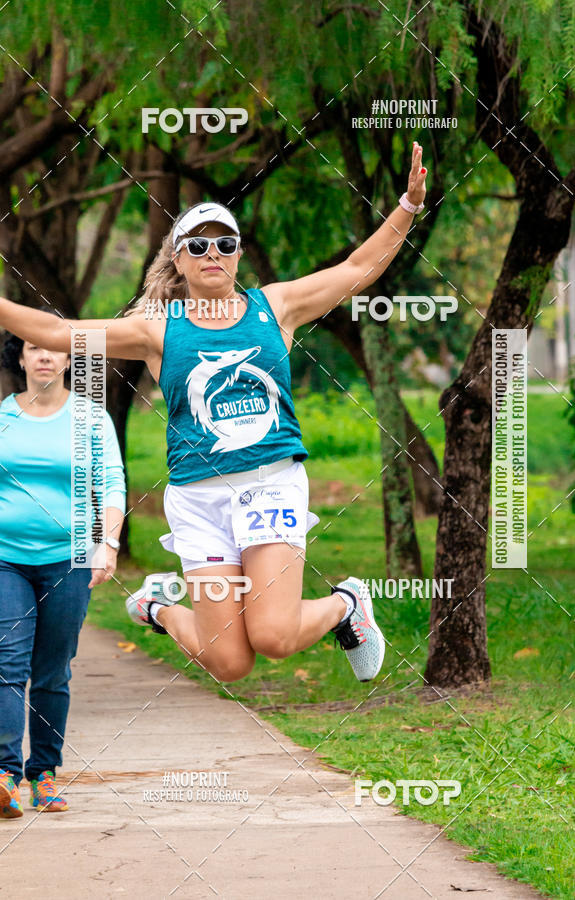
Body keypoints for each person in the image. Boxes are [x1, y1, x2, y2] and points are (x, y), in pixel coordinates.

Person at [0, 143, 427, 689]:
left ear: (238, 254)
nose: (212, 253)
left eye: (224, 244)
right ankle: (158, 608)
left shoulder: (276, 307)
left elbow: (357, 268)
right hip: (198, 498)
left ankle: (346, 605)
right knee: (230, 664)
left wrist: (407, 206)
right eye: (197, 245)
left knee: (273, 638)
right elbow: (60, 334)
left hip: (270, 484)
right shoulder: (157, 328)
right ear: (178, 258)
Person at [0, 326, 126, 818]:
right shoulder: (3, 417)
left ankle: (44, 774)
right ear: (22, 357)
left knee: (52, 670)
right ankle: (6, 776)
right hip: (5, 557)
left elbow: (112, 482)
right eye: (35, 348)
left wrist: (109, 545)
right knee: (7, 662)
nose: (46, 356)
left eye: (54, 348)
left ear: (71, 360)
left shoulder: (91, 418)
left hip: (69, 559)